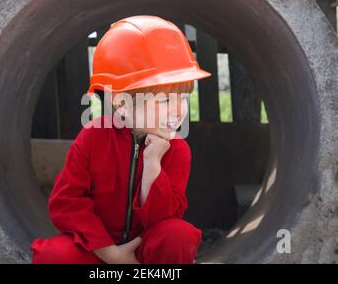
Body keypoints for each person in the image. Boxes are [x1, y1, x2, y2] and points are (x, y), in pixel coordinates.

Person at [30, 15, 212, 264]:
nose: (178, 110)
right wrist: (109, 253)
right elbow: (66, 202)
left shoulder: (177, 150)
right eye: (165, 100)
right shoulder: (94, 137)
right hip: (96, 248)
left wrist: (152, 165)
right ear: (122, 104)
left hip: (144, 251)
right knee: (53, 255)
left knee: (178, 235)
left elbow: (167, 219)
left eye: (183, 98)